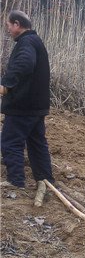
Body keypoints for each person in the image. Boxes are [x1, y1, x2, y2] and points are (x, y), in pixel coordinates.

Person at [0, 10, 54, 189]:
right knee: (37, 144)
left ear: (17, 24)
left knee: (10, 142)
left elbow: (25, 63)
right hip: (36, 106)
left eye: (8, 25)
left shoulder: (26, 43)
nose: (8, 29)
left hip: (23, 106)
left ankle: (15, 182)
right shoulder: (35, 41)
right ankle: (45, 180)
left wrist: (6, 84)